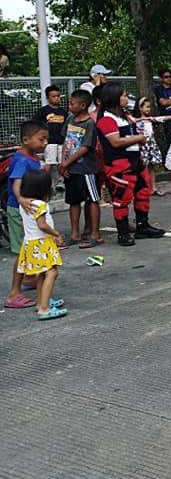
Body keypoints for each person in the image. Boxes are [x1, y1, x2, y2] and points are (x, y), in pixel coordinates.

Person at [95, 83, 165, 246]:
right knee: (122, 197)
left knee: (143, 191)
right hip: (119, 162)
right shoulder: (106, 118)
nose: (126, 98)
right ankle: (123, 232)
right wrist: (139, 138)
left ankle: (142, 226)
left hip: (135, 159)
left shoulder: (125, 115)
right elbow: (116, 141)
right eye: (123, 95)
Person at [3, 121, 47, 310]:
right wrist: (21, 199)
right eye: (41, 139)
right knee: (24, 251)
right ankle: (13, 293)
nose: (45, 143)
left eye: (46, 139)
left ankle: (29, 278)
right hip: (20, 209)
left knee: (29, 248)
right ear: (26, 140)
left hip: (29, 209)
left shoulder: (33, 156)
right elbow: (16, 183)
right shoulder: (21, 160)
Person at [14, 169, 67, 320]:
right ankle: (44, 308)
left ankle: (42, 301)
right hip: (42, 243)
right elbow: (42, 225)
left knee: (42, 273)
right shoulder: (41, 205)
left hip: (30, 243)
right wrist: (56, 233)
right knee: (52, 272)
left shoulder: (25, 204)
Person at [59, 90, 103, 248]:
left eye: (72, 103)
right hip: (72, 168)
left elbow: (85, 147)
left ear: (83, 105)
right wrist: (64, 162)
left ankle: (95, 234)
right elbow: (66, 141)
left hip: (87, 169)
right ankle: (74, 233)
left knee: (92, 200)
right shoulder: (70, 119)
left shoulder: (90, 124)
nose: (69, 106)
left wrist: (66, 162)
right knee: (73, 201)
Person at [134, 96, 171, 196]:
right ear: (140, 108)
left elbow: (162, 118)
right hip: (141, 145)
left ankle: (153, 187)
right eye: (146, 107)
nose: (148, 109)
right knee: (142, 167)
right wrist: (143, 118)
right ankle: (144, 188)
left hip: (150, 144)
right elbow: (132, 120)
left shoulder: (151, 119)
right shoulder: (136, 120)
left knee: (151, 167)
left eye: (149, 107)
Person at [34, 85, 68, 190]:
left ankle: (60, 182)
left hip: (61, 141)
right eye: (53, 96)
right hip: (50, 142)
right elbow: (36, 124)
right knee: (50, 162)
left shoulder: (63, 112)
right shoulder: (43, 111)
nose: (56, 98)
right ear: (48, 97)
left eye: (58, 96)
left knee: (62, 163)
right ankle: (44, 182)